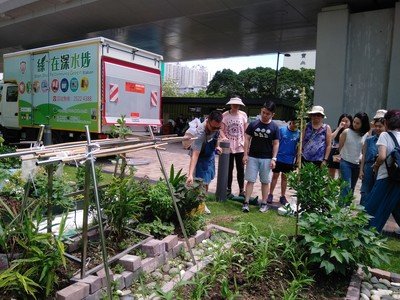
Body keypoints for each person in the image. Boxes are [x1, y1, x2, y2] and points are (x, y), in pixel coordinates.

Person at [365, 109, 400, 232]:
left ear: (386, 122)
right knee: (385, 209)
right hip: (398, 180)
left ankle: (365, 237)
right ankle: (373, 237)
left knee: (372, 208)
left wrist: (375, 166)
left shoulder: (385, 135)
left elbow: (382, 156)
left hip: (385, 177)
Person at [242, 101, 280, 213]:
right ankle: (246, 203)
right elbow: (247, 139)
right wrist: (245, 154)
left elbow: (276, 143)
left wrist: (274, 158)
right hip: (252, 157)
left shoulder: (275, 127)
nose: (264, 115)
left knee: (265, 181)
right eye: (263, 112)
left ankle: (264, 203)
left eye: (267, 113)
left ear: (272, 114)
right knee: (250, 180)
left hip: (267, 159)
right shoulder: (253, 124)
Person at [186, 110, 223, 214]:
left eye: (218, 127)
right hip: (199, 156)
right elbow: (195, 154)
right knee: (198, 181)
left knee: (206, 181)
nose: (216, 129)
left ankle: (202, 202)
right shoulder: (200, 133)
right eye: (213, 127)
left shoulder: (216, 128)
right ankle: (196, 204)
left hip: (209, 155)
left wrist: (218, 147)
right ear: (208, 121)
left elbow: (216, 138)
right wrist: (190, 175)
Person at [267, 117, 300, 205]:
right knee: (275, 176)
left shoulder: (299, 133)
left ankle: (282, 196)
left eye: (297, 124)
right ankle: (270, 194)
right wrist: (273, 157)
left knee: (285, 178)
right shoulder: (282, 130)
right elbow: (275, 143)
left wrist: (297, 159)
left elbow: (298, 148)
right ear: (291, 122)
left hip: (289, 160)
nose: (295, 125)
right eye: (294, 123)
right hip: (279, 157)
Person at [220, 97, 248, 198]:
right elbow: (221, 130)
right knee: (229, 169)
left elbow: (246, 132)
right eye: (234, 104)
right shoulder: (225, 115)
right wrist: (224, 138)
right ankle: (228, 189)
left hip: (240, 146)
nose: (235, 106)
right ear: (230, 105)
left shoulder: (243, 115)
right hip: (229, 147)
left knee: (240, 169)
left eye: (237, 104)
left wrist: (246, 147)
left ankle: (241, 190)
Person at [339, 112, 370, 198]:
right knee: (346, 187)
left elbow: (364, 154)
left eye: (358, 123)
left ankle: (347, 208)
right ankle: (340, 208)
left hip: (357, 164)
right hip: (345, 162)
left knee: (351, 189)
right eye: (354, 122)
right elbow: (340, 147)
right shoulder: (346, 132)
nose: (355, 124)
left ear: (363, 124)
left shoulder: (366, 135)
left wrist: (361, 169)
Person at [359, 117, 385, 206]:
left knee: (377, 192)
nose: (377, 128)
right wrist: (361, 170)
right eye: (376, 126)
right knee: (365, 191)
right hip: (368, 167)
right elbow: (364, 156)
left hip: (381, 168)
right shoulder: (369, 140)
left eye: (380, 126)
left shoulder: (387, 140)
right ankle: (362, 214)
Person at [327, 114, 352, 178]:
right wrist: (339, 128)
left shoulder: (351, 132)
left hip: (344, 154)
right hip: (335, 153)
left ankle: (340, 187)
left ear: (350, 122)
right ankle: (330, 187)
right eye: (342, 121)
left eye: (346, 121)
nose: (344, 123)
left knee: (341, 172)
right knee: (331, 171)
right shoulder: (336, 130)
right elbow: (330, 139)